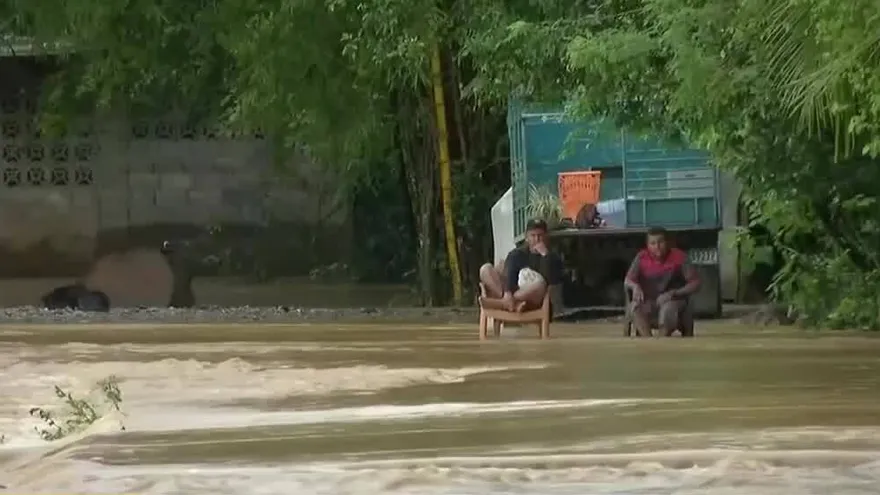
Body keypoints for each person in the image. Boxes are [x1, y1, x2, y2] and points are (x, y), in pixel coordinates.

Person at [625, 227, 700, 336]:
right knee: (635, 307)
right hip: (649, 301)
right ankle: (648, 341)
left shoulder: (679, 257)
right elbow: (628, 280)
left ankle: (663, 340)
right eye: (653, 243)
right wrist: (635, 286)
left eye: (661, 242)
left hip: (673, 301)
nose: (657, 247)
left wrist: (674, 293)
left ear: (668, 243)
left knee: (667, 310)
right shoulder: (641, 257)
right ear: (647, 245)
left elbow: (695, 283)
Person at [479, 218, 564, 312]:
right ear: (527, 237)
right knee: (485, 269)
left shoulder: (553, 257)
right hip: (512, 291)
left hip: (532, 298)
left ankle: (505, 303)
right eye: (533, 235)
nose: (537, 239)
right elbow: (509, 274)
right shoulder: (517, 254)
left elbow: (551, 280)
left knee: (540, 284)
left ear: (546, 236)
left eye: (540, 235)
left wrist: (545, 256)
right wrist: (507, 292)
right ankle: (510, 303)